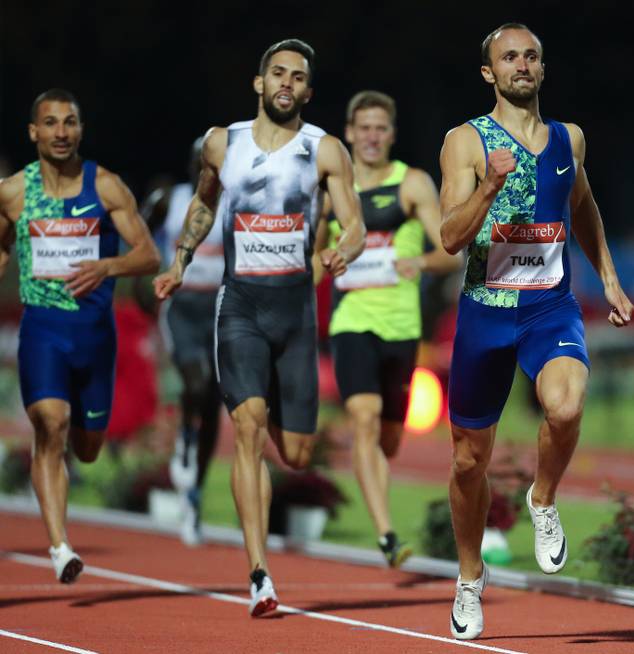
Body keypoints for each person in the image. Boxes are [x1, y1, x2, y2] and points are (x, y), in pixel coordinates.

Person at [153, 39, 365, 618]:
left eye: (297, 76)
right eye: (277, 73)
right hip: (240, 306)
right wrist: (179, 261)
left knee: (295, 453)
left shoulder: (325, 150)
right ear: (259, 82)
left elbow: (354, 225)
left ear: (308, 91)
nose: (286, 83)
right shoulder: (225, 144)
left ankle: (267, 401)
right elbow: (202, 205)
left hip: (295, 314)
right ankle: (259, 576)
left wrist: (342, 250)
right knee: (247, 429)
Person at [438, 24, 634, 639]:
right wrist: (489, 185)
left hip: (549, 308)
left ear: (542, 69)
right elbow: (448, 237)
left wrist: (608, 277)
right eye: (508, 58)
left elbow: (583, 205)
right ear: (489, 74)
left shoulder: (567, 139)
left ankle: (542, 500)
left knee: (568, 404)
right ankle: (470, 579)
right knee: (470, 461)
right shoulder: (465, 142)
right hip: (485, 314)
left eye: (531, 56)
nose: (521, 65)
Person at [0, 88, 160, 583]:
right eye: (50, 123)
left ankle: (71, 468)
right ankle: (59, 546)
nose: (61, 132)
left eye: (69, 123)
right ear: (34, 132)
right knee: (52, 424)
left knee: (88, 445)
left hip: (94, 335)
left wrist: (108, 266)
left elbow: (149, 255)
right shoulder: (13, 193)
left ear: (80, 130)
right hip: (43, 329)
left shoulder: (106, 186)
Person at [315, 91, 461, 568]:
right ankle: (386, 534)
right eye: (364, 128)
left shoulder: (412, 183)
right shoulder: (334, 191)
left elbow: (450, 249)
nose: (372, 136)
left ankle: (381, 509)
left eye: (381, 128)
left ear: (391, 134)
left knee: (390, 438)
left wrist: (418, 259)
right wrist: (320, 262)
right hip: (351, 319)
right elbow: (313, 262)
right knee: (362, 418)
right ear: (350, 134)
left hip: (401, 327)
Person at [144, 137, 225, 546]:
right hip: (182, 308)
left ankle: (195, 491)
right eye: (201, 161)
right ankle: (185, 441)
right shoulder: (171, 200)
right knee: (196, 382)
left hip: (221, 307)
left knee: (212, 400)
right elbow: (138, 237)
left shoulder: (233, 203)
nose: (207, 168)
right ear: (194, 165)